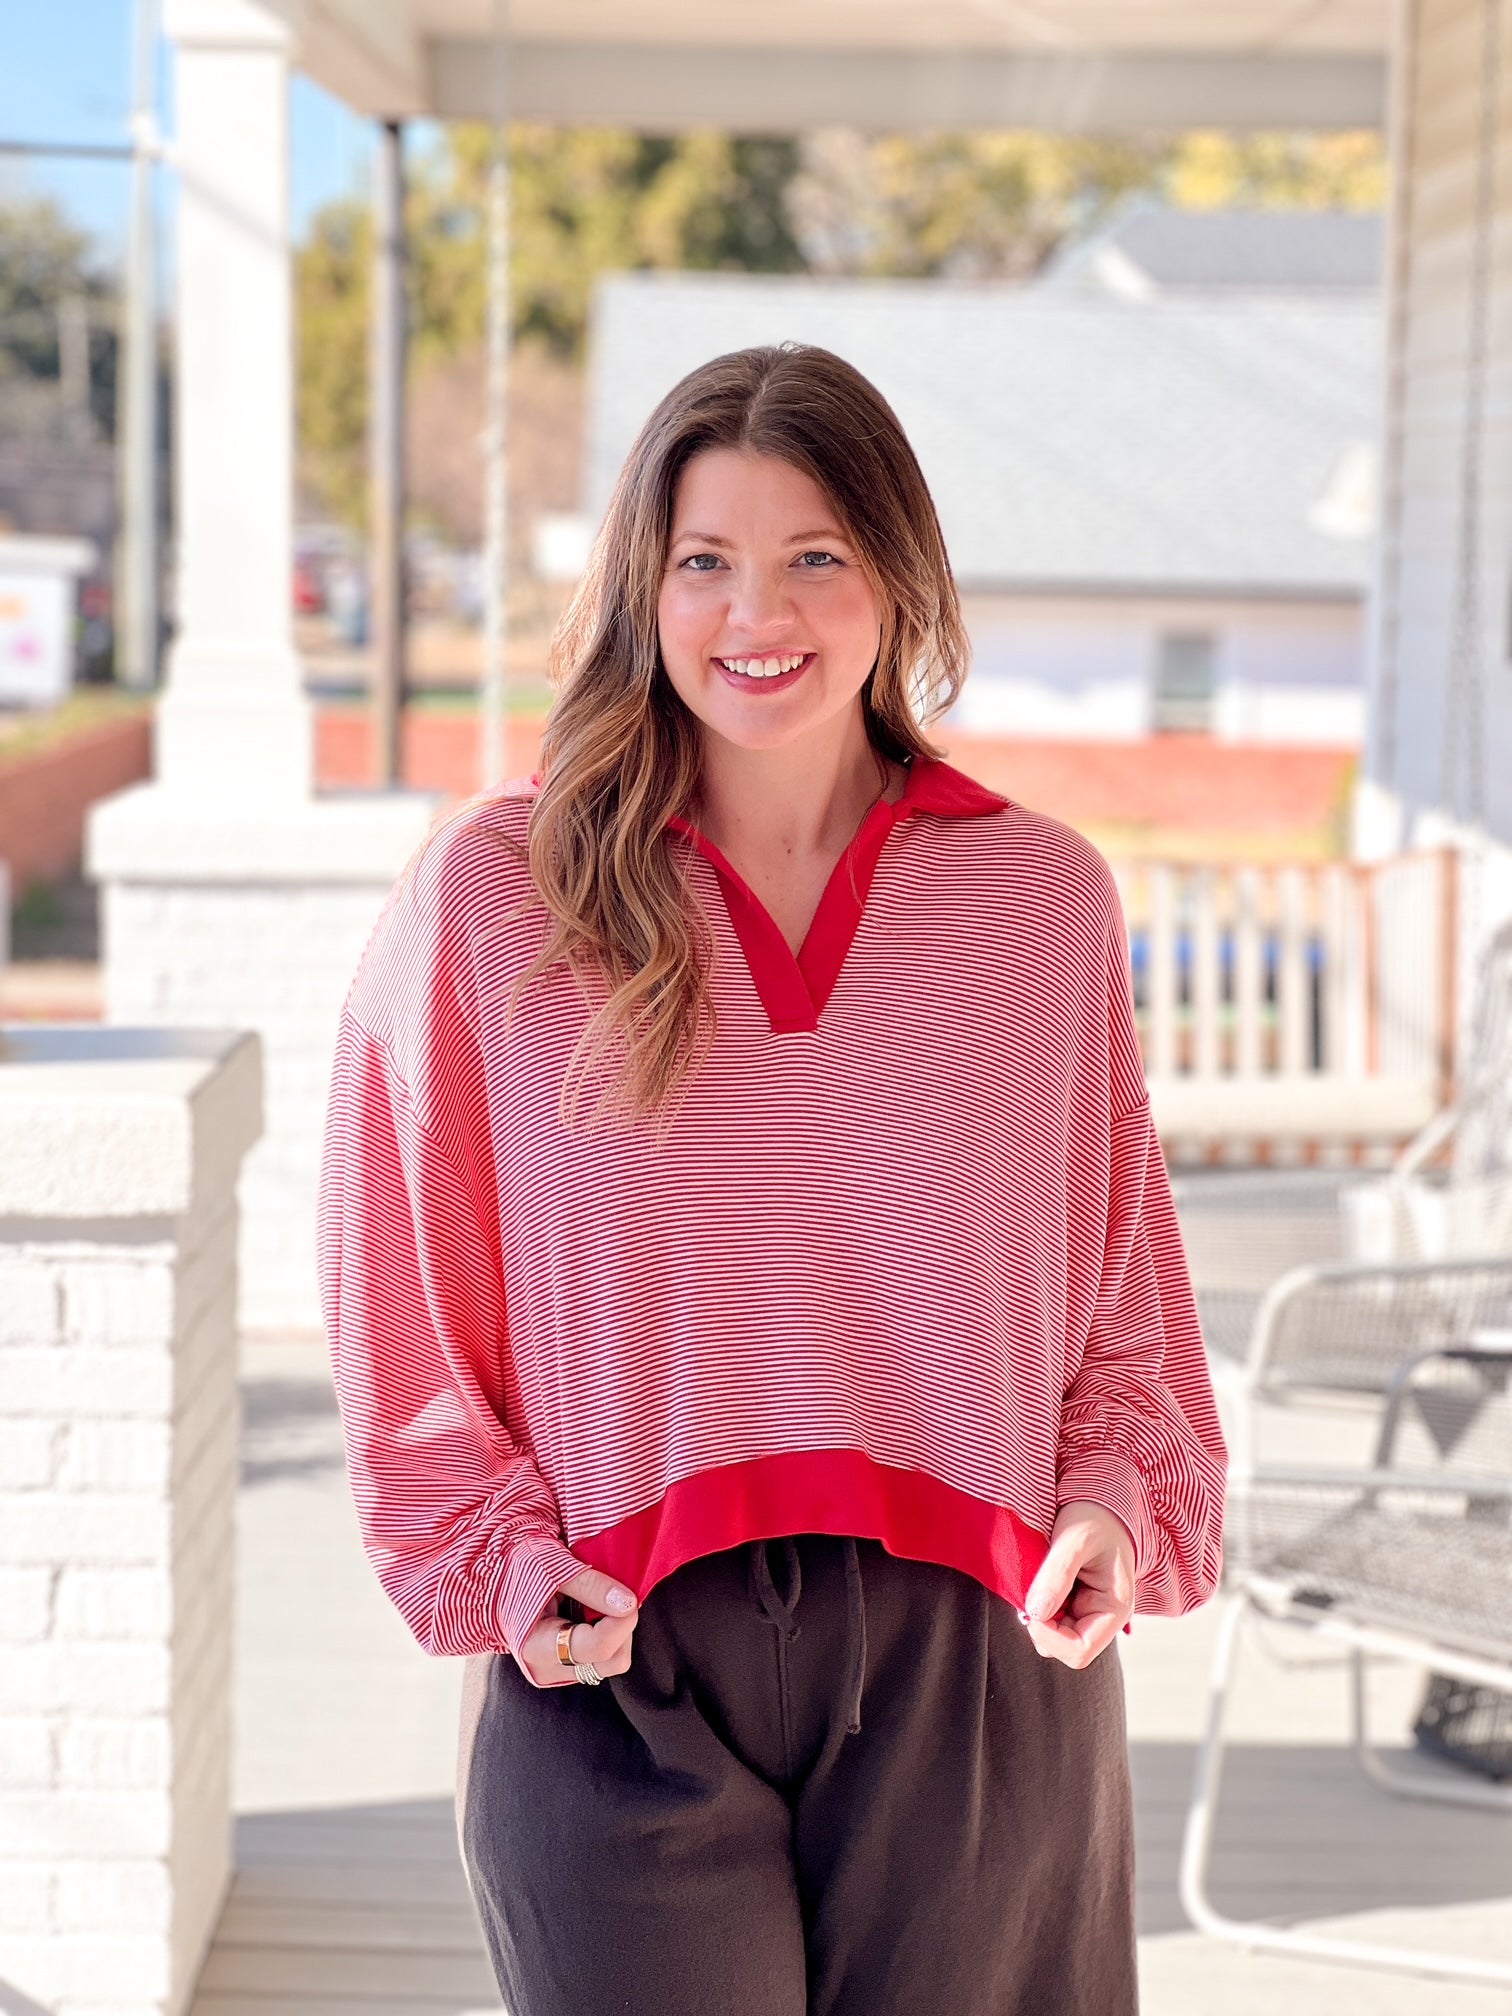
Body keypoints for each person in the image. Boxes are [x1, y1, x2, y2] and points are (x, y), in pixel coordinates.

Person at [316, 342, 1228, 2016]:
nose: (761, 611)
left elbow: (1119, 1276)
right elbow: (403, 1279)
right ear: (642, 591)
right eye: (706, 561)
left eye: (816, 554)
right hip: (612, 1650)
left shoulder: (1040, 905)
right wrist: (495, 1556)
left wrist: (1112, 1493)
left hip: (974, 1661)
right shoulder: (498, 894)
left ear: (898, 579)